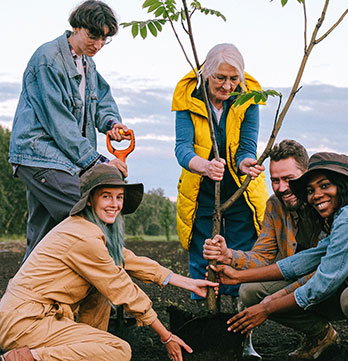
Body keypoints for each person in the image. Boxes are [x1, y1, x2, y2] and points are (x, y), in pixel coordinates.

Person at [211, 152, 348, 361]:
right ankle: (330, 337)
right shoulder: (345, 214)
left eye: (325, 186)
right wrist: (237, 275)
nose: (316, 195)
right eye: (310, 190)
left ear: (343, 185)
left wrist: (268, 307)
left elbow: (323, 281)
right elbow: (308, 259)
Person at [0, 164, 218, 361]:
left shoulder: (87, 229)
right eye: (106, 196)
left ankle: (86, 353)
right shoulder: (83, 237)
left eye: (119, 197)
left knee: (99, 292)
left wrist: (189, 283)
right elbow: (122, 288)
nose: (115, 204)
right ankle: (24, 358)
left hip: (31, 315)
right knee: (118, 351)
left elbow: (129, 260)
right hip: (24, 321)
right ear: (90, 199)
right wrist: (166, 336)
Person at [204, 142, 348, 361]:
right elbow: (263, 256)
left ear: (307, 175)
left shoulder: (332, 205)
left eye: (289, 179)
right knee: (250, 292)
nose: (282, 187)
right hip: (302, 284)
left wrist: (273, 302)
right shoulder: (275, 205)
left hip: (340, 286)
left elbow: (329, 271)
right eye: (275, 180)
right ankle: (321, 335)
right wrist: (229, 256)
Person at [9, 0, 131, 261]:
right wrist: (99, 163)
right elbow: (59, 123)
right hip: (39, 155)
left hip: (63, 159)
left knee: (44, 237)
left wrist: (111, 124)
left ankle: (22, 300)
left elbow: (102, 100)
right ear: (76, 27)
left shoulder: (87, 63)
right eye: (93, 36)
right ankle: (111, 296)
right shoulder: (48, 60)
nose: (98, 45)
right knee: (92, 212)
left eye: (104, 40)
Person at [172, 43, 268, 299]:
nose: (227, 86)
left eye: (234, 79)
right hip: (201, 189)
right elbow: (182, 148)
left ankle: (240, 317)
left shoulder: (249, 98)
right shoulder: (188, 97)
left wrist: (245, 163)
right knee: (203, 252)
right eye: (220, 78)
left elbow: (247, 146)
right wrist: (203, 166)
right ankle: (208, 311)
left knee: (241, 252)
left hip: (240, 191)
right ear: (206, 73)